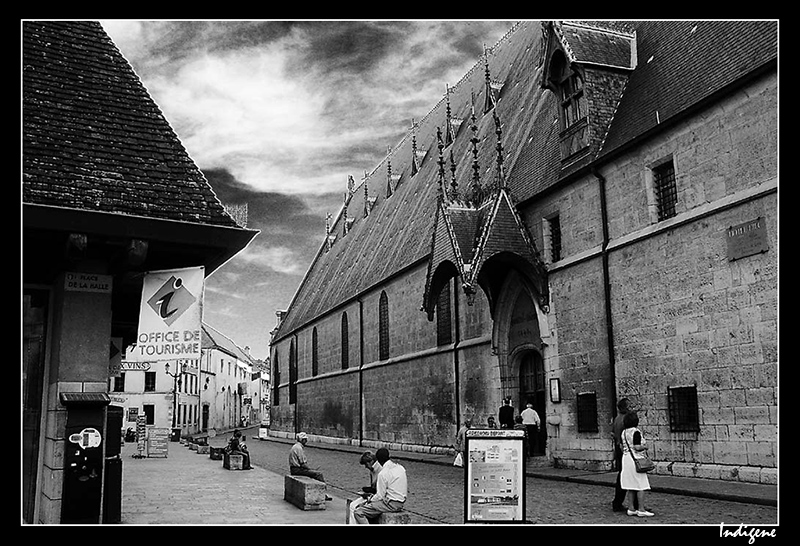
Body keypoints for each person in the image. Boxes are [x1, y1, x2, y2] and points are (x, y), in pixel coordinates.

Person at [353, 448, 407, 524]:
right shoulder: (401, 468)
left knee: (358, 512)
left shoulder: (383, 473)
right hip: (400, 503)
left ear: (378, 460)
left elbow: (380, 496)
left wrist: (369, 499)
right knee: (370, 509)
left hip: (390, 504)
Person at [620, 411, 654, 517]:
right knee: (641, 485)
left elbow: (621, 447)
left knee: (631, 486)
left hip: (626, 459)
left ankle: (631, 508)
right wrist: (645, 446)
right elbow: (637, 447)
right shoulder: (636, 432)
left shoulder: (623, 432)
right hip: (636, 459)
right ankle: (641, 509)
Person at [611, 397, 637, 512]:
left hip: (619, 449)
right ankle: (634, 505)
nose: (631, 407)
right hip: (625, 450)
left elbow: (613, 433)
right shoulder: (625, 419)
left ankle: (618, 503)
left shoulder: (617, 418)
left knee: (623, 476)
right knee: (631, 476)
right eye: (629, 405)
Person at [348, 451, 384, 524]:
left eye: (366, 464)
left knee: (356, 507)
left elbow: (380, 491)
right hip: (373, 495)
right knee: (352, 505)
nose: (366, 466)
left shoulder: (380, 471)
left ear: (371, 462)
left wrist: (369, 493)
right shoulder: (372, 470)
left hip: (377, 498)